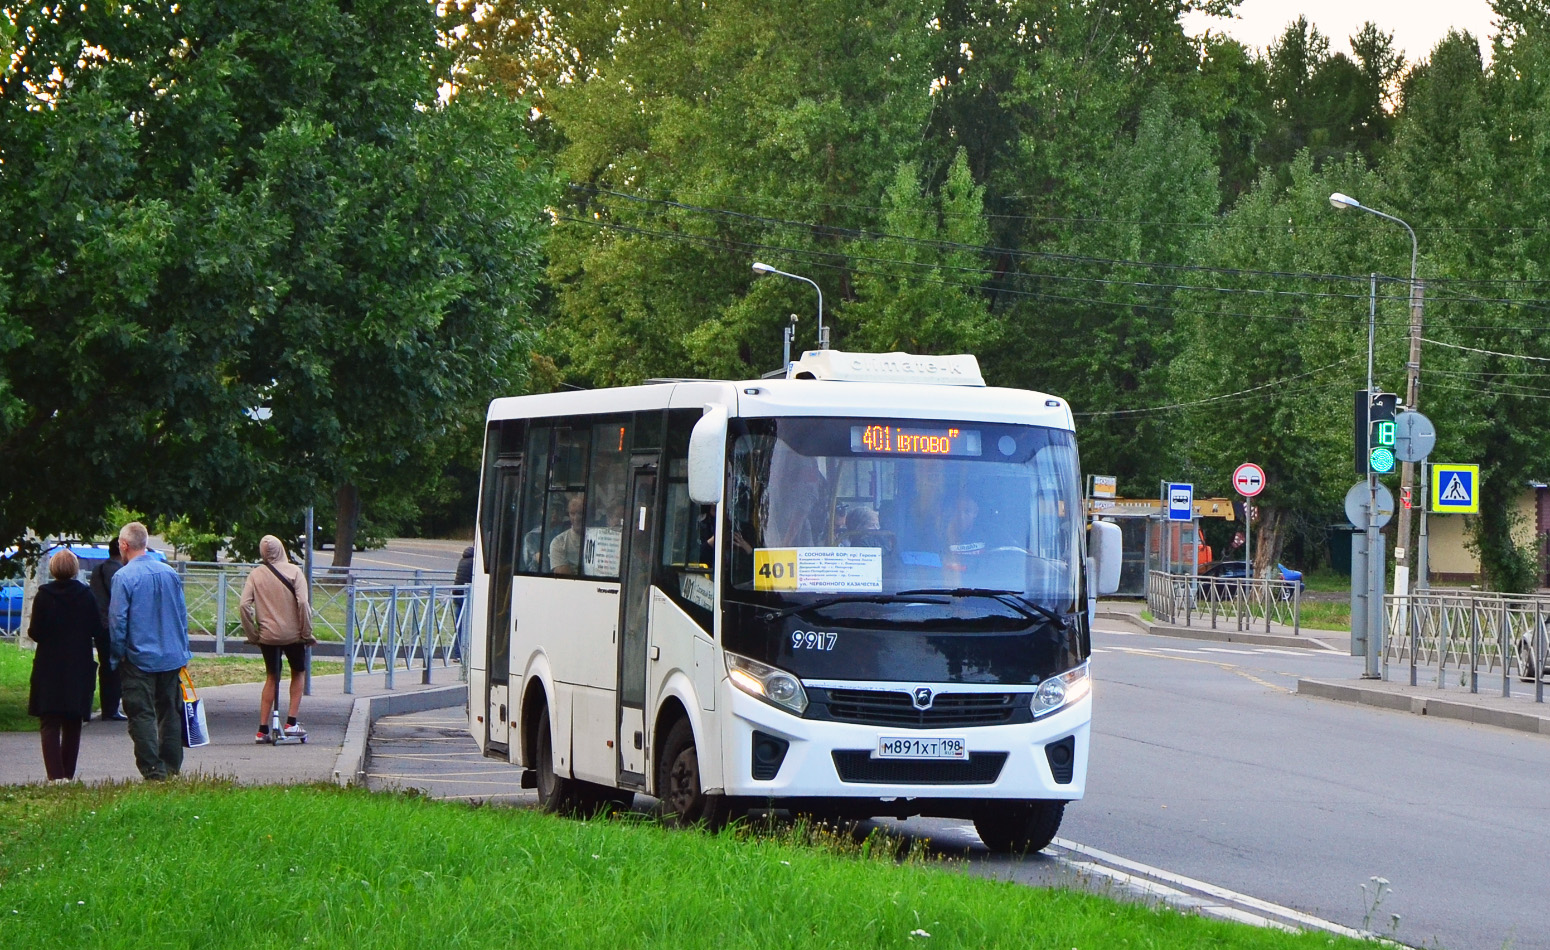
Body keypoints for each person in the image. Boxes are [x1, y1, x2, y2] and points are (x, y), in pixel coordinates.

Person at [108, 521, 191, 781]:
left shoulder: (123, 577)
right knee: (170, 712)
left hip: (138, 658)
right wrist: (183, 652)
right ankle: (172, 766)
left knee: (141, 713)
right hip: (171, 656)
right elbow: (181, 616)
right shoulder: (169, 573)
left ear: (124, 545)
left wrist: (116, 654)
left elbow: (118, 621)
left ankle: (153, 770)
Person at [28, 549, 102, 782]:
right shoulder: (86, 596)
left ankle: (54, 777)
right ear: (75, 569)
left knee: (49, 720)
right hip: (77, 665)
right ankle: (67, 776)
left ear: (52, 569)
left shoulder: (43, 596)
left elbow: (35, 632)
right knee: (73, 720)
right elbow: (97, 629)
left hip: (48, 665)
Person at [240, 535, 316, 743]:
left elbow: (243, 605)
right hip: (293, 636)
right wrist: (306, 633)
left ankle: (262, 728)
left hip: (267, 636)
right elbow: (303, 604)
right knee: (298, 672)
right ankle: (291, 723)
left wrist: (253, 635)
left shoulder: (256, 575)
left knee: (272, 677)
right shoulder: (295, 572)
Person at [86, 538, 126, 721]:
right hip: (113, 625)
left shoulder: (98, 569)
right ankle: (111, 709)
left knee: (105, 666)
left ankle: (107, 707)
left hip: (99, 624)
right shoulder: (119, 571)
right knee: (115, 667)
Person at [548, 494, 586, 575]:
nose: (576, 518)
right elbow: (563, 577)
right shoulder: (559, 542)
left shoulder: (601, 538)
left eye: (580, 513)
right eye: (572, 513)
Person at [451, 544, 474, 660]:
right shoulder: (474, 563)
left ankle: (457, 654)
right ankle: (465, 654)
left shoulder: (463, 560)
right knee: (469, 626)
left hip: (457, 595)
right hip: (466, 596)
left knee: (459, 626)